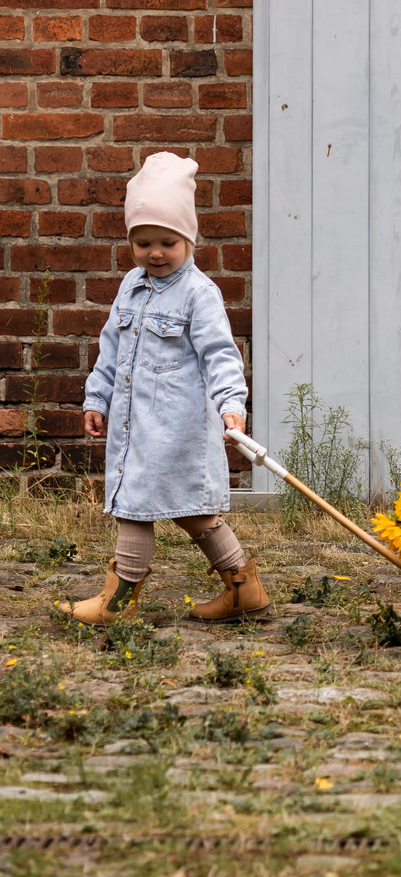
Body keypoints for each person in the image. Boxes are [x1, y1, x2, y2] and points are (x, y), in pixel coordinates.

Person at [65, 152, 270, 625]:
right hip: (136, 428)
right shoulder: (130, 289)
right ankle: (244, 588)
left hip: (177, 431)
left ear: (189, 238)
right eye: (143, 243)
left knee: (173, 510)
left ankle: (120, 604)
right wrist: (97, 397)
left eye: (167, 242)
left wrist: (231, 407)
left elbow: (221, 356)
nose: (155, 253)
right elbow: (111, 348)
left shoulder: (199, 294)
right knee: (165, 508)